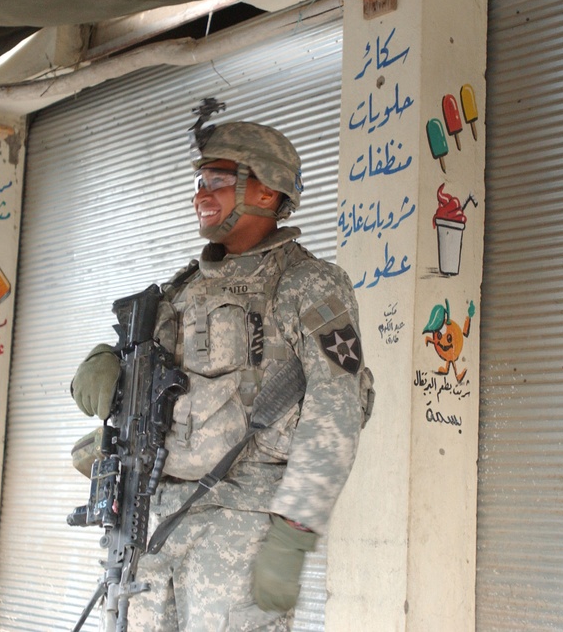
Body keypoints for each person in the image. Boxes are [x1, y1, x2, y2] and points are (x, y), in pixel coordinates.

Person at [70, 103, 372, 631]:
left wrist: (292, 537)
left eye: (218, 179)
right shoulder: (180, 291)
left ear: (267, 190)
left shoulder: (309, 285)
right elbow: (143, 394)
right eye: (198, 180)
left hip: (242, 525)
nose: (201, 194)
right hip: (154, 517)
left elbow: (338, 410)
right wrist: (101, 374)